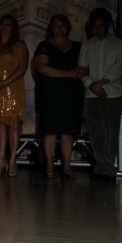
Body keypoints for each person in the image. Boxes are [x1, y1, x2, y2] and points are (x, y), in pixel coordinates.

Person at [34, 15, 86, 179]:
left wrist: (83, 71)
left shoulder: (78, 47)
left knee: (68, 130)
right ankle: (49, 164)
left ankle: (67, 164)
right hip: (50, 94)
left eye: (63, 25)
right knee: (50, 130)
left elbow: (86, 67)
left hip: (72, 94)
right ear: (51, 27)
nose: (60, 27)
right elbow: (42, 68)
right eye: (56, 25)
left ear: (68, 27)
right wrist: (69, 74)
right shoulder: (44, 46)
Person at [78, 8, 122, 182]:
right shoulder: (86, 45)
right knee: (96, 133)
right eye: (94, 26)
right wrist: (92, 84)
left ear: (108, 25)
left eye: (101, 25)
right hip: (91, 94)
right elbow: (81, 70)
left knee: (110, 133)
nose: (97, 29)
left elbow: (118, 69)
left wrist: (100, 83)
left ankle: (104, 169)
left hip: (112, 93)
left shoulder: (119, 44)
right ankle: (105, 169)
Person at [0, 15, 28, 177]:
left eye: (7, 24)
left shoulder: (19, 44)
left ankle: (13, 160)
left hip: (12, 88)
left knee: (13, 123)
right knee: (0, 124)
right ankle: (1, 159)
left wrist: (5, 82)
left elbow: (23, 67)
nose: (4, 27)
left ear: (13, 28)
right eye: (1, 24)